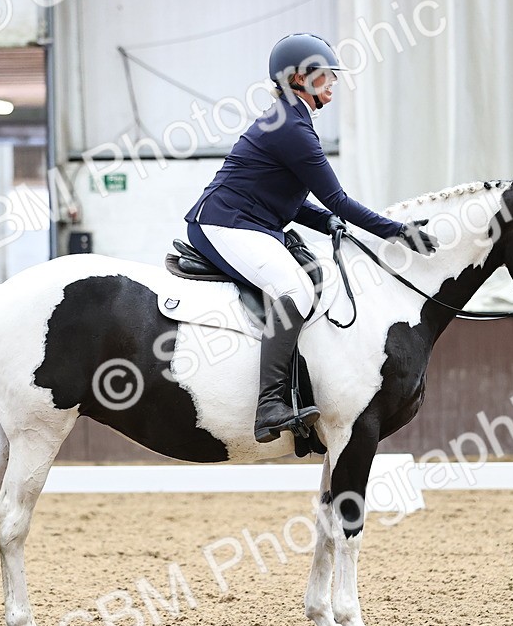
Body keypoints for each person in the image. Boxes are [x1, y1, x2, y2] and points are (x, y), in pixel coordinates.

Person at [185, 33, 438, 444]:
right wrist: (397, 232)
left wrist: (328, 224)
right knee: (294, 290)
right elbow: (338, 198)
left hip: (251, 220)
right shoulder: (291, 127)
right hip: (224, 223)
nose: (333, 83)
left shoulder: (292, 120)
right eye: (325, 77)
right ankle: (269, 406)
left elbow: (289, 198)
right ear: (299, 78)